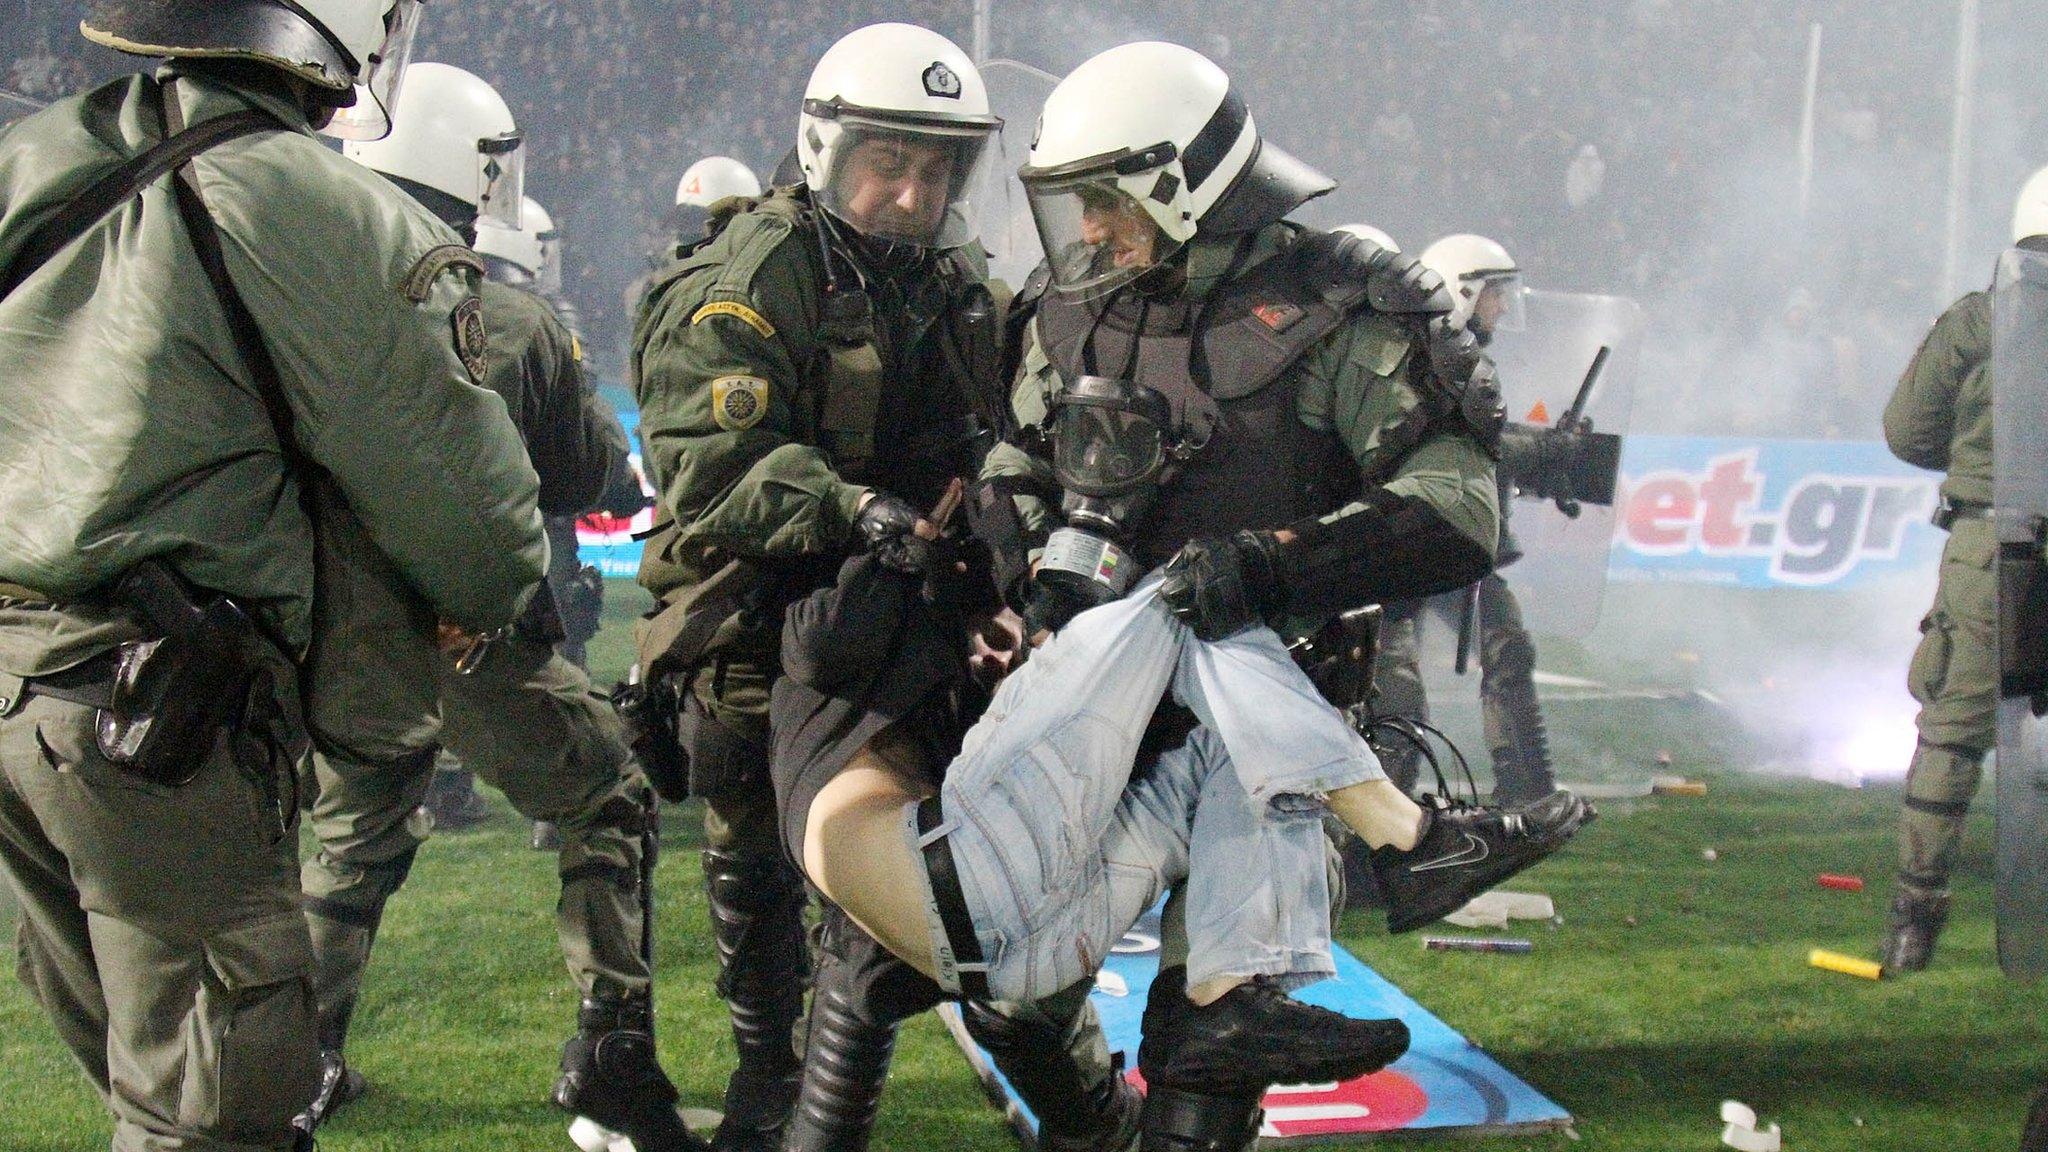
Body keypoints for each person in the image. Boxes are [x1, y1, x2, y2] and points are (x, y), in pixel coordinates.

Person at [960, 41, 1591, 1152]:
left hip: (1268, 746)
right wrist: (1035, 574)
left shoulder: (1340, 298)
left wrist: (1273, 564)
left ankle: (1396, 848)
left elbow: (1457, 510)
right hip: (1097, 720)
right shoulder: (1067, 306)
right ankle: (1100, 1118)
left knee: (1209, 1063)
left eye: (1105, 201)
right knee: (1011, 1003)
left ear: (1177, 182)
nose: (1088, 230)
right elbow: (1014, 461)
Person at [0, 3, 544, 1150]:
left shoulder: (37, 154)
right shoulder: (315, 202)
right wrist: (483, 586)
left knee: (137, 1069)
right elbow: (469, 518)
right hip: (150, 712)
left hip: (18, 687)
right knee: (217, 1107)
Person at [632, 24, 1138, 1152]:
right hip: (755, 600)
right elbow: (711, 468)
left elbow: (1005, 409)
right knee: (749, 836)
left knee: (945, 856)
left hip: (912, 605)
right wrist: (849, 507)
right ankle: (770, 1067)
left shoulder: (956, 279)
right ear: (825, 150)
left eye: (935, 169)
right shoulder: (753, 276)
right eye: (886, 164)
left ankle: (1046, 1091)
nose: (911, 193)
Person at [298, 61, 697, 1151]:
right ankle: (610, 1049)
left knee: (351, 840)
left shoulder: (294, 290)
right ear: (473, 174)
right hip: (471, 638)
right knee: (606, 796)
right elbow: (584, 477)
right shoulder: (508, 319)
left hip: (334, 641)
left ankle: (306, 1059)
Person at [1875, 172, 2048, 975]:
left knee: (1954, 733)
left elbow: (1907, 431)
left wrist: (1981, 466)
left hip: (1992, 547)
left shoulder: (1978, 320)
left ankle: (1915, 922)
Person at [473, 195, 650, 853]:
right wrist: (617, 490)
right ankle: (562, 799)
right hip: (540, 510)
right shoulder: (544, 320)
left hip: (475, 513)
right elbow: (580, 423)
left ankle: (449, 788)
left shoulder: (430, 307)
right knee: (556, 646)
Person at [1369, 234, 1557, 805]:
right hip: (1407, 541)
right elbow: (1467, 439)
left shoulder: (1453, 353)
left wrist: (1537, 449)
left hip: (1452, 541)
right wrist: (1541, 451)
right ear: (1463, 290)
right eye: (1495, 294)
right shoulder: (1426, 354)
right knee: (1394, 690)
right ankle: (1382, 821)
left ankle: (1527, 790)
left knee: (1507, 650)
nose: (1502, 307)